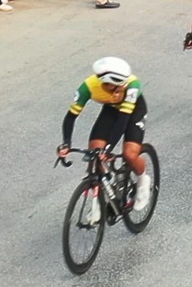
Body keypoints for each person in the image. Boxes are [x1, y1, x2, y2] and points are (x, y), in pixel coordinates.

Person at [57, 57, 153, 214]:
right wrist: (66, 143)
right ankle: (100, 200)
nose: (119, 91)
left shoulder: (132, 85)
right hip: (111, 110)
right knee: (94, 154)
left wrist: (108, 149)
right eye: (116, 88)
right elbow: (71, 117)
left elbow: (123, 121)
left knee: (129, 154)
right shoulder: (88, 86)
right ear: (105, 83)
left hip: (133, 112)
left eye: (121, 88)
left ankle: (143, 181)